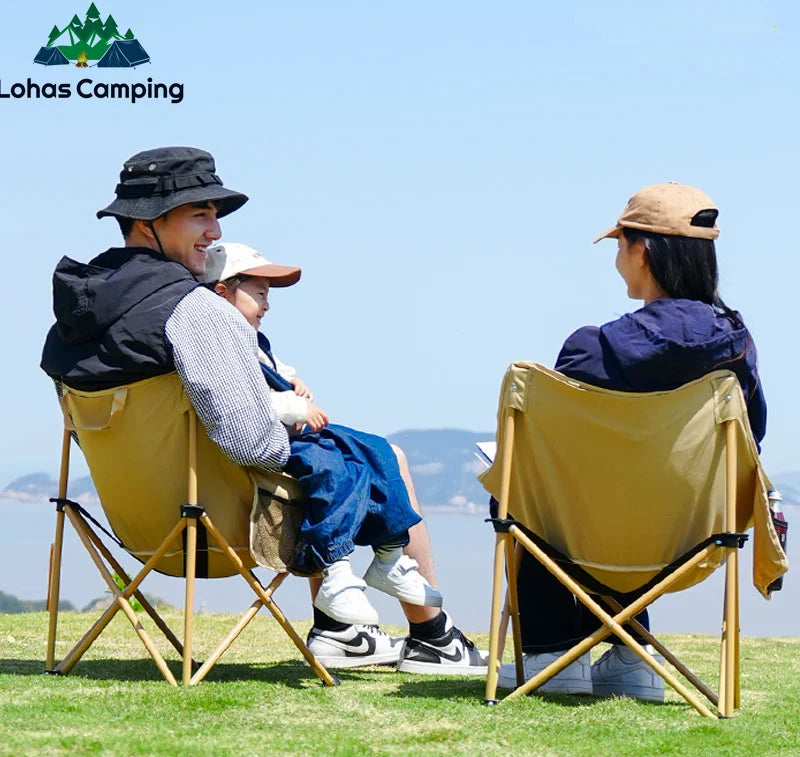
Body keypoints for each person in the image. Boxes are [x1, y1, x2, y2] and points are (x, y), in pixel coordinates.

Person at [40, 146, 487, 675]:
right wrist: (301, 431)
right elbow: (251, 444)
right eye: (199, 214)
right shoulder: (196, 309)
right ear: (147, 222)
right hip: (221, 525)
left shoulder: (74, 325)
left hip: (134, 528)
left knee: (347, 453)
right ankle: (431, 636)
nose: (214, 231)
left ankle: (345, 631)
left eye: (215, 215)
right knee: (363, 457)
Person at [497, 182, 766, 700]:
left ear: (641, 250)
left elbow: (556, 447)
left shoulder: (591, 348)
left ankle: (552, 652)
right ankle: (631, 655)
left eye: (620, 245)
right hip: (691, 536)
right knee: (643, 495)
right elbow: (752, 439)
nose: (617, 257)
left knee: (529, 484)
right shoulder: (738, 349)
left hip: (585, 536)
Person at [202, 241, 443, 629]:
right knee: (332, 469)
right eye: (259, 293)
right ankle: (335, 565)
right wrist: (297, 408)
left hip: (292, 435)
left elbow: (277, 373)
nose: (267, 304)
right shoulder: (218, 345)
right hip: (273, 447)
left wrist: (293, 380)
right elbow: (243, 405)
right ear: (222, 292)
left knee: (376, 451)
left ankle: (390, 555)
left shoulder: (254, 341)